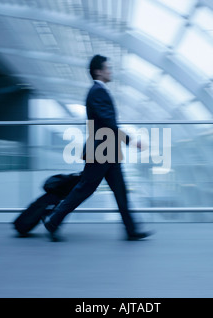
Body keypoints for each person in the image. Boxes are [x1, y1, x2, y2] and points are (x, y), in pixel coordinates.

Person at [44, 55, 152, 241]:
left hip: (107, 151)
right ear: (98, 71)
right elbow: (108, 123)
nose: (110, 71)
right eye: (107, 68)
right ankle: (54, 220)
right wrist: (131, 140)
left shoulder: (99, 91)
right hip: (101, 151)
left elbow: (107, 123)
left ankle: (131, 230)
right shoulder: (97, 92)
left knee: (120, 191)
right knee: (84, 189)